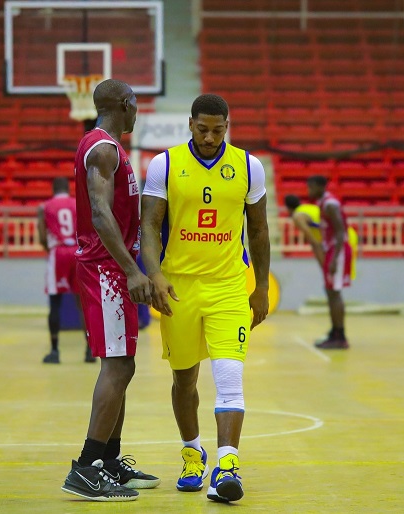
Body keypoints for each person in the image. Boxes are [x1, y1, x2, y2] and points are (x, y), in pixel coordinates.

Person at [141, 94, 270, 503]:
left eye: (219, 130)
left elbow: (261, 231)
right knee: (184, 379)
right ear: (190, 124)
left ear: (227, 125)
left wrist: (261, 286)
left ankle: (227, 464)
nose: (211, 137)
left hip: (229, 285)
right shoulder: (164, 164)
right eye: (203, 129)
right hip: (178, 287)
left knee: (230, 377)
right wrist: (155, 276)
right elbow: (149, 226)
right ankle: (192, 452)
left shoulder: (249, 166)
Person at [61, 79, 160, 502]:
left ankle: (108, 458)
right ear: (125, 103)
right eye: (137, 105)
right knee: (117, 366)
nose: (139, 112)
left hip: (111, 267)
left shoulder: (107, 147)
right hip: (105, 269)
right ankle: (86, 467)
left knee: (125, 365)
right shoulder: (102, 149)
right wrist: (131, 271)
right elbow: (100, 214)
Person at [37, 177, 95, 364]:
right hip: (77, 252)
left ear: (53, 189)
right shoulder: (77, 203)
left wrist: (50, 250)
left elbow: (42, 235)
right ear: (68, 188)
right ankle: (89, 351)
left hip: (59, 251)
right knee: (82, 303)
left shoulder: (44, 206)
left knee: (55, 302)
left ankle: (54, 351)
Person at [306, 176, 353, 349]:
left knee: (334, 291)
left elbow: (341, 232)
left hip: (337, 250)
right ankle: (335, 332)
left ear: (319, 186)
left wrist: (334, 259)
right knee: (330, 290)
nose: (308, 190)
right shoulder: (324, 203)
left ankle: (340, 335)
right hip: (332, 249)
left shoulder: (330, 204)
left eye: (310, 186)